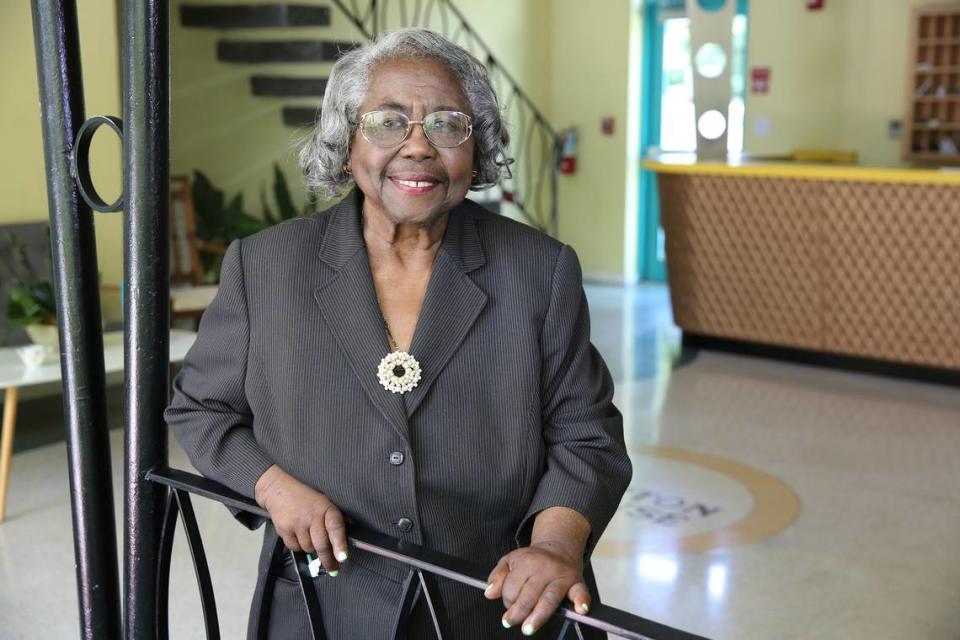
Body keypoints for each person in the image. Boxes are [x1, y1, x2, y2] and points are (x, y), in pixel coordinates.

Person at [165, 27, 632, 639]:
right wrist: (273, 488)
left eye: (447, 124)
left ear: (478, 145)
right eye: (387, 122)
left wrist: (554, 544)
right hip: (322, 605)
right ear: (346, 138)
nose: (418, 147)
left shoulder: (539, 270)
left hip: (491, 606)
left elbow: (586, 434)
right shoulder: (267, 266)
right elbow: (201, 409)